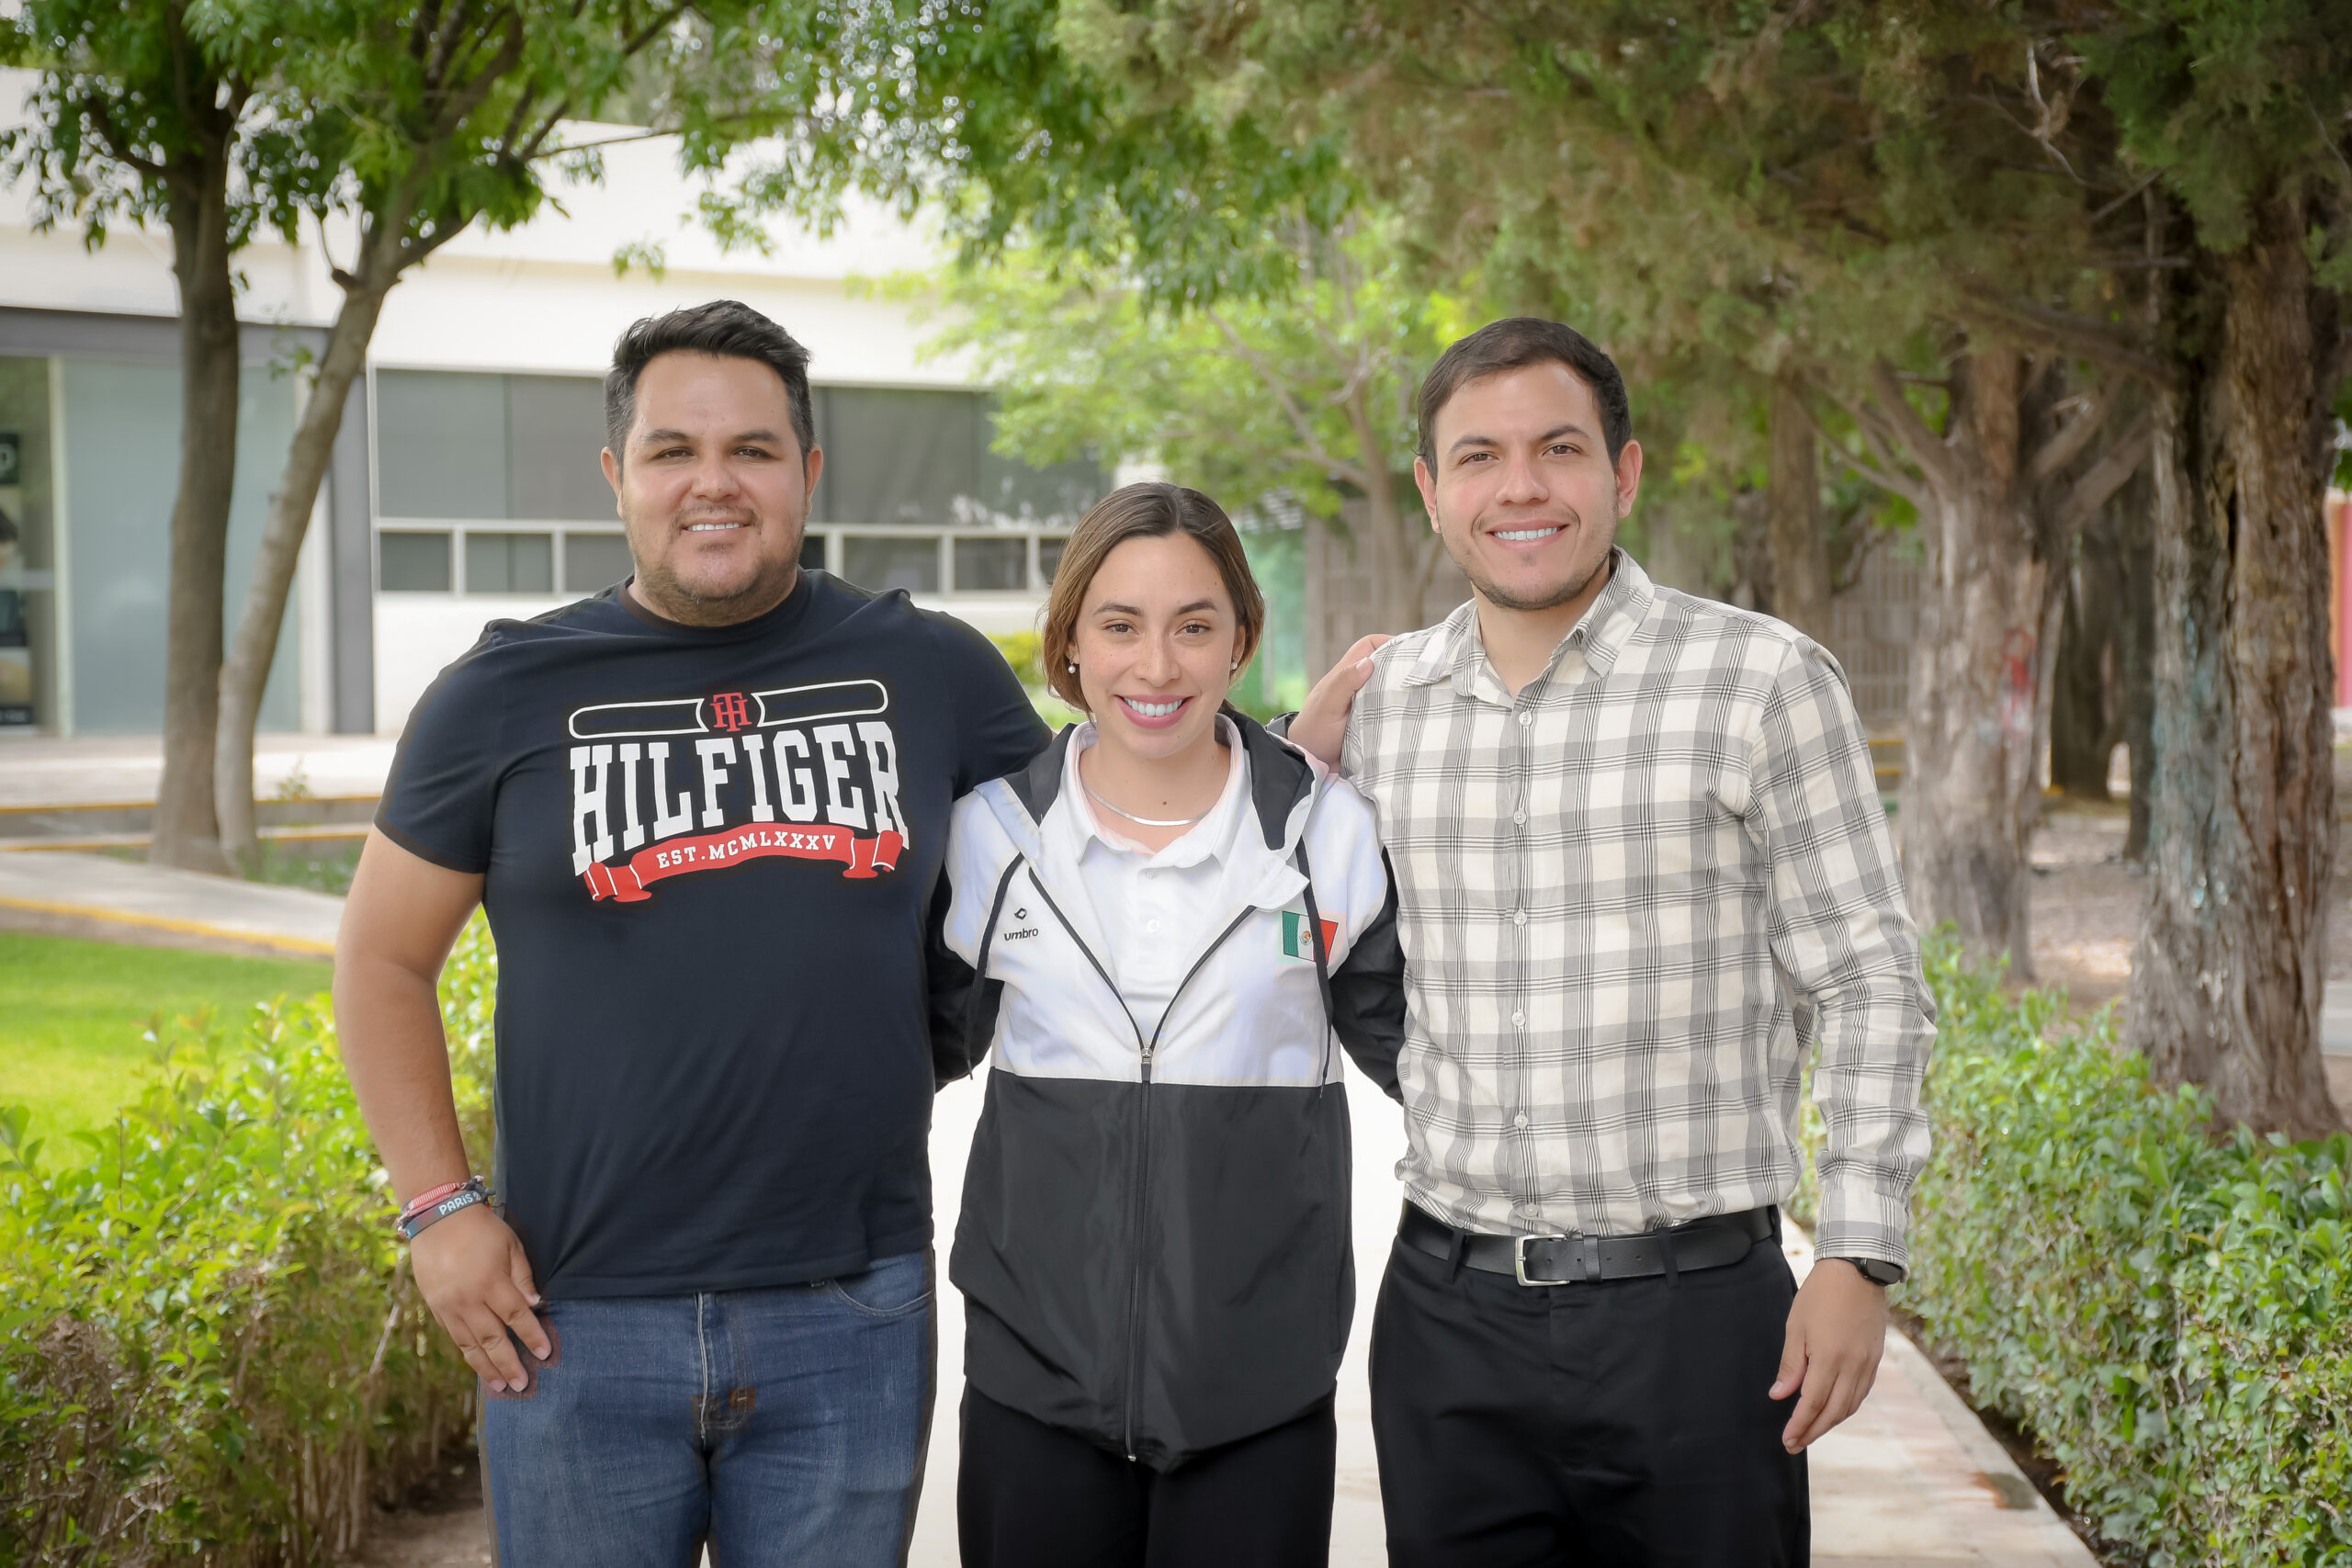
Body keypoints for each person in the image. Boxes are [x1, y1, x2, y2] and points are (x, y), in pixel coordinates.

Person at [334, 299, 1047, 1567]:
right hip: (571, 1319)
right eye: (674, 450)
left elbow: (1106, 843)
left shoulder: (931, 671)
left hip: (851, 1308)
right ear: (617, 474)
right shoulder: (498, 695)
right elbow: (382, 959)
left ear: (808, 472)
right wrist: (438, 1211)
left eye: (752, 450)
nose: (713, 483)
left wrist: (1292, 753)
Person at [1283, 318, 1935, 1565]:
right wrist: (1293, 763)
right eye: (1478, 457)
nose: (1519, 486)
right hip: (1447, 1319)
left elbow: (1868, 979)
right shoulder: (1384, 706)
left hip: (1699, 1324)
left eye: (1559, 449)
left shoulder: (1760, 680)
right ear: (1430, 489)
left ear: (1623, 473)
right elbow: (1253, 901)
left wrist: (1857, 1255)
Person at [929, 482, 1408, 1567]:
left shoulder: (1326, 837)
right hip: (1033, 1395)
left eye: (1194, 626)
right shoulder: (991, 840)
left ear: (1240, 639)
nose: (1156, 666)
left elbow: (1429, 1066)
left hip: (1261, 1397)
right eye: (1120, 625)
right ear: (1069, 642)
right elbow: (897, 1058)